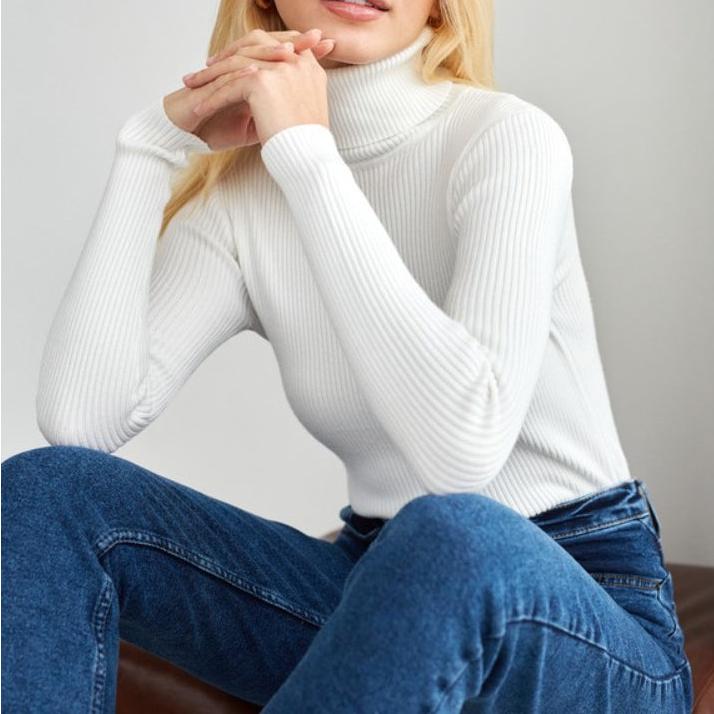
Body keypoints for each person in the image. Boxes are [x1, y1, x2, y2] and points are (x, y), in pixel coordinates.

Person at [1, 0, 694, 711]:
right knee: (47, 492)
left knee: (451, 532)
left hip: (582, 609)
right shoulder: (245, 198)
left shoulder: (507, 138)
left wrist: (308, 153)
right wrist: (149, 147)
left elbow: (462, 453)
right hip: (376, 577)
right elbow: (81, 419)